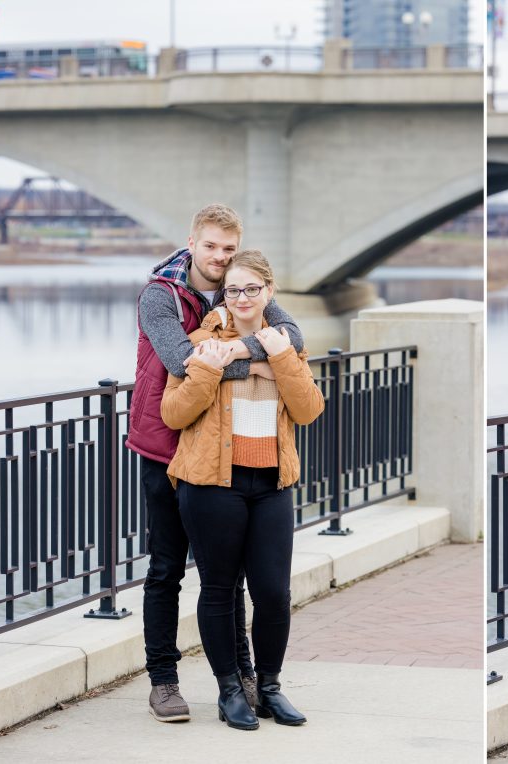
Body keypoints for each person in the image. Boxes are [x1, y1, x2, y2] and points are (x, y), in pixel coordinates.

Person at [126, 204, 304, 722]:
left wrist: (231, 351)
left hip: (218, 453)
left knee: (225, 573)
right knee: (165, 570)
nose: (221, 258)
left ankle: (245, 679)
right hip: (164, 445)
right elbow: (183, 356)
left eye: (229, 249)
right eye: (211, 247)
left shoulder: (242, 290)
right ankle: (164, 681)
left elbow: (291, 335)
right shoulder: (159, 295)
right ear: (192, 243)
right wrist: (257, 357)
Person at [161, 249, 325, 731]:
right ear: (224, 295)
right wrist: (212, 369)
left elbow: (309, 408)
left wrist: (275, 358)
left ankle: (269, 687)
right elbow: (174, 413)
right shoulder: (200, 343)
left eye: (252, 289)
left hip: (271, 482)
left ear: (268, 293)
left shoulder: (286, 343)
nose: (243, 298)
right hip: (212, 482)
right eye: (233, 290)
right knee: (217, 589)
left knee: (273, 593)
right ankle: (230, 690)